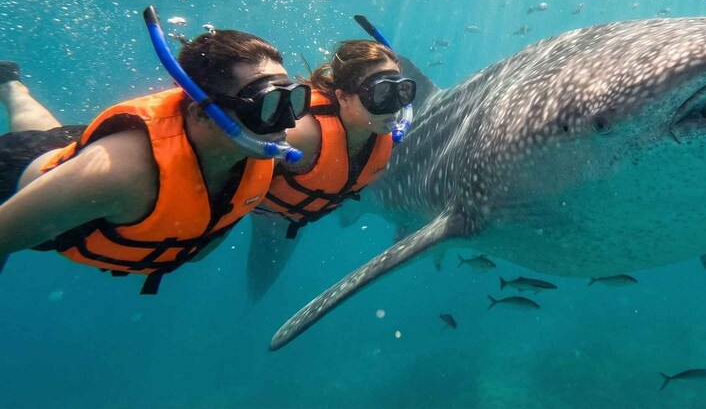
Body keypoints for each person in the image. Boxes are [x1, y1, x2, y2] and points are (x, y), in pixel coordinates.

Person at [0, 18, 311, 294]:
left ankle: (10, 86)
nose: (288, 122)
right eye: (267, 105)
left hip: (72, 150)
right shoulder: (118, 175)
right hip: (13, 171)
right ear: (201, 114)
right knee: (38, 144)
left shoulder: (256, 151)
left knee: (47, 134)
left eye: (293, 100)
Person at [246, 37, 417, 300]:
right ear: (343, 97)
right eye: (381, 94)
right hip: (264, 212)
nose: (394, 107)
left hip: (298, 215)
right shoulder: (302, 135)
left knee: (260, 286)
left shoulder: (382, 134)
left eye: (402, 92)